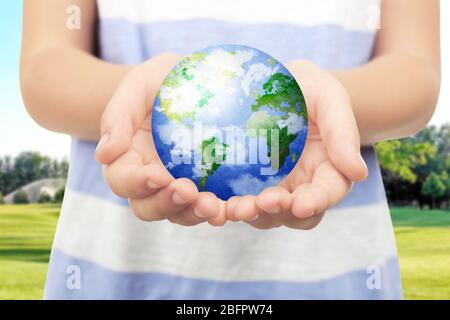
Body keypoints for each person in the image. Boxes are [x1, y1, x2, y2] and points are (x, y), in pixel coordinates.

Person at [20, 0, 440, 299]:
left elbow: (416, 73)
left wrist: (317, 108)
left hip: (335, 275)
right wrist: (159, 103)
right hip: (113, 272)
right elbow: (45, 69)